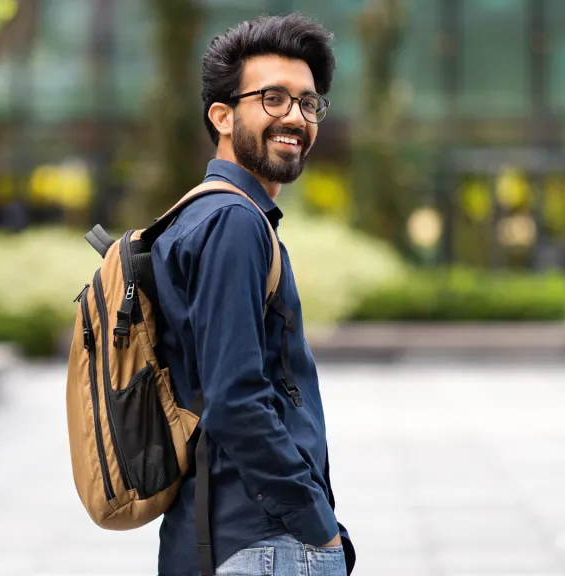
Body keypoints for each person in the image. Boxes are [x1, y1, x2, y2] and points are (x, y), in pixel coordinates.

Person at [149, 12, 355, 576]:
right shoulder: (234, 223)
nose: (295, 116)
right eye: (273, 98)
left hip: (214, 536)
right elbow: (235, 399)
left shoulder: (195, 217)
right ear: (221, 115)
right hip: (262, 545)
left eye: (309, 103)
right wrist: (318, 527)